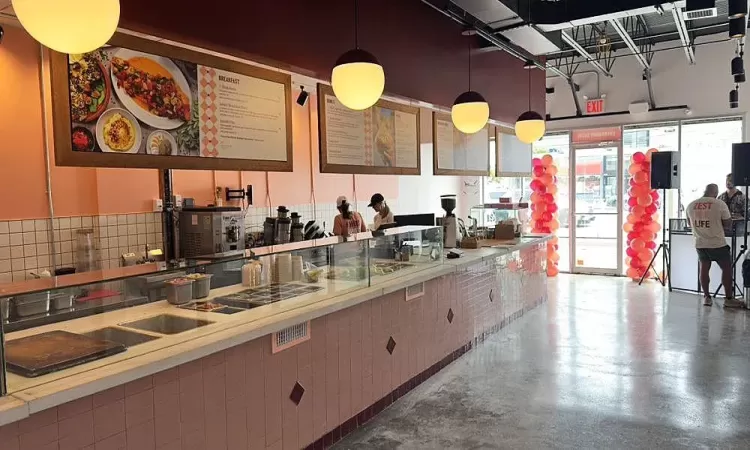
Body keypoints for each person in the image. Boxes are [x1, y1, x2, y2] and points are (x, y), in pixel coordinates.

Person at [686, 183, 744, 308]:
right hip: (717, 243)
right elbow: (728, 224)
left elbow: (690, 225)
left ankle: (707, 297)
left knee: (704, 268)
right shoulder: (719, 204)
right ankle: (729, 299)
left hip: (700, 243)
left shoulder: (691, 205)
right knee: (727, 269)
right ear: (716, 193)